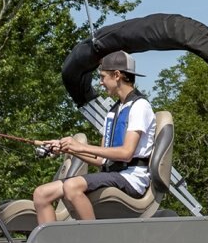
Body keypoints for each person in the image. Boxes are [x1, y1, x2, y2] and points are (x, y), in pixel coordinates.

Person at [32, 51, 156, 225]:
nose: (100, 82)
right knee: (41, 194)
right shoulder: (113, 111)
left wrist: (80, 146)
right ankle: (54, 242)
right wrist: (69, 148)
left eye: (103, 77)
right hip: (112, 174)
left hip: (132, 178)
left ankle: (93, 239)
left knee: (72, 186)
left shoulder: (140, 107)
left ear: (117, 75)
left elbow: (126, 153)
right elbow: (100, 160)